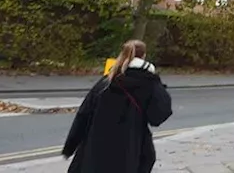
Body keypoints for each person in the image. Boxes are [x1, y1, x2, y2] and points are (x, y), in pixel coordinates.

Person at [62, 40, 173, 173]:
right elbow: (158, 116)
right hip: (130, 149)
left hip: (96, 149)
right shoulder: (150, 83)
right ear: (143, 56)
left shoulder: (106, 82)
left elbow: (83, 115)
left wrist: (70, 147)